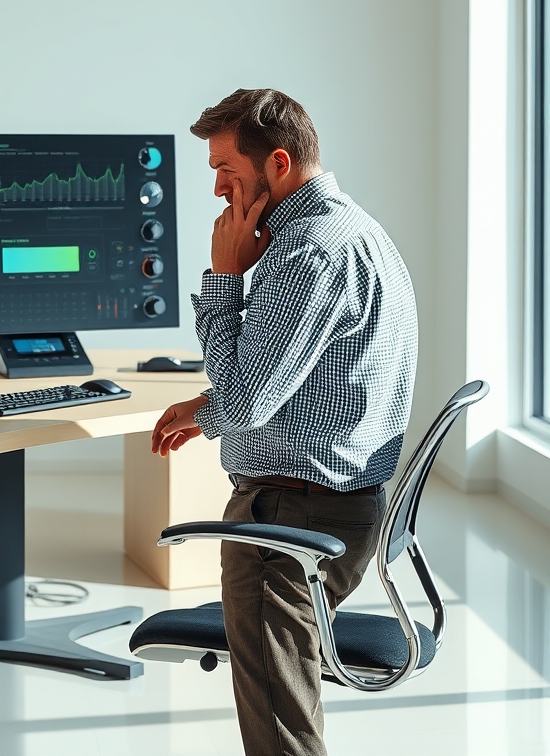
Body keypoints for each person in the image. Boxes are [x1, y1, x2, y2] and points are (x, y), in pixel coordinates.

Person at [151, 88, 417, 756]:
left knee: (279, 727)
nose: (217, 190)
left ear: (276, 163)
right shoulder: (346, 227)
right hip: (325, 507)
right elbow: (299, 381)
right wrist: (209, 406)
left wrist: (224, 280)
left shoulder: (308, 255)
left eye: (226, 173)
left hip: (292, 524)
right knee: (282, 711)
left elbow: (245, 404)